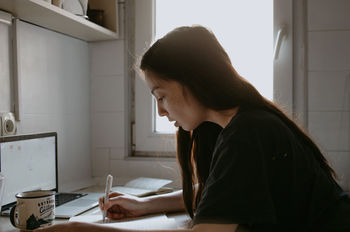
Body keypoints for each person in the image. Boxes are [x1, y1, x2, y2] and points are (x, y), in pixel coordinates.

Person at [36, 26, 350, 232]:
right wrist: (145, 205)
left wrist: (81, 229)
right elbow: (224, 191)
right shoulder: (235, 126)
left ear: (194, 80)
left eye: (161, 96)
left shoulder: (249, 131)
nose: (160, 110)